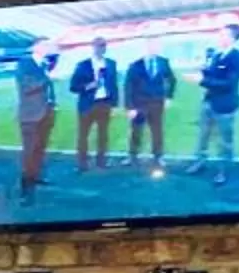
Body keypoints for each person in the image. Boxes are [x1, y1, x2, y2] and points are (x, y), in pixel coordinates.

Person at [193, 22, 239, 185]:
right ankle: (200, 162)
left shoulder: (238, 57)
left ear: (232, 38)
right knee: (203, 135)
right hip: (208, 102)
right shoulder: (216, 55)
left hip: (225, 106)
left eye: (223, 34)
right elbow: (212, 76)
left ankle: (223, 170)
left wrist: (202, 80)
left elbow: (228, 83)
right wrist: (203, 69)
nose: (219, 37)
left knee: (224, 140)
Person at [12, 48, 58, 204]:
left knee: (40, 149)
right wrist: (47, 78)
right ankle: (25, 189)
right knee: (29, 152)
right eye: (47, 45)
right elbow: (27, 87)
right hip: (30, 115)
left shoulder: (43, 65)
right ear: (38, 46)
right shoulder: (24, 64)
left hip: (45, 113)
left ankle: (36, 177)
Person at [68, 37, 119, 170]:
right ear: (93, 47)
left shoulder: (111, 64)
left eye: (103, 46)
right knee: (83, 135)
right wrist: (87, 86)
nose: (101, 48)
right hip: (87, 105)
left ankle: (101, 161)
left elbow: (114, 86)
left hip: (104, 104)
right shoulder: (83, 65)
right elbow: (73, 86)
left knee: (103, 135)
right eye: (98, 46)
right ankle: (82, 163)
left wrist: (114, 105)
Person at [124, 48, 177, 168]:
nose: (151, 49)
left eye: (154, 46)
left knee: (157, 131)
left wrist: (169, 97)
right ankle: (132, 155)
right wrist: (130, 107)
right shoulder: (135, 65)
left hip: (157, 103)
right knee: (136, 131)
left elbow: (172, 79)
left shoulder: (163, 62)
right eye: (149, 47)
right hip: (139, 104)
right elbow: (128, 86)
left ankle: (158, 156)